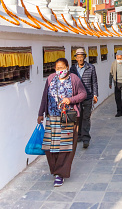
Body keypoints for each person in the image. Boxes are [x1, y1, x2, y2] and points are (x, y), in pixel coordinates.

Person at [38, 58, 87, 187]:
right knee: (50, 147)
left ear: (67, 67)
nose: (60, 70)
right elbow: (44, 96)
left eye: (62, 67)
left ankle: (60, 174)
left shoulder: (74, 79)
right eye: (58, 68)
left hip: (68, 118)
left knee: (65, 147)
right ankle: (55, 169)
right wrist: (40, 113)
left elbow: (83, 94)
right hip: (52, 117)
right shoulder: (50, 79)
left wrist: (70, 100)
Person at [70, 48, 98, 149]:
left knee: (86, 117)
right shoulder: (72, 69)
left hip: (88, 96)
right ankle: (79, 136)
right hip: (77, 97)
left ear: (84, 57)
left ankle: (86, 138)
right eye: (78, 57)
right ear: (76, 58)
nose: (80, 58)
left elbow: (94, 81)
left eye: (82, 56)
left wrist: (95, 94)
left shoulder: (91, 67)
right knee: (78, 117)